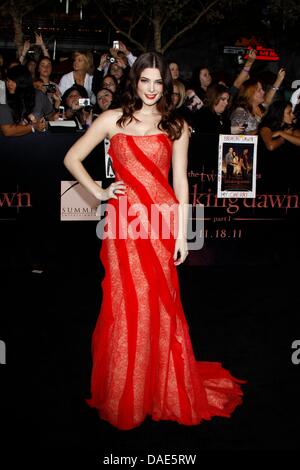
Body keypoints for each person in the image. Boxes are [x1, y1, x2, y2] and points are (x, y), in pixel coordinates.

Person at [63, 51, 244, 430]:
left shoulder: (175, 124)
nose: (150, 88)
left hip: (160, 224)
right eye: (145, 80)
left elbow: (180, 181)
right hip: (125, 225)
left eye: (158, 82)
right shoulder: (112, 119)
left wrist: (182, 232)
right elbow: (72, 158)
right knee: (125, 304)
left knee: (159, 305)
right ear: (135, 81)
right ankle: (125, 390)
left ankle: (158, 387)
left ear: (166, 85)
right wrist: (99, 191)